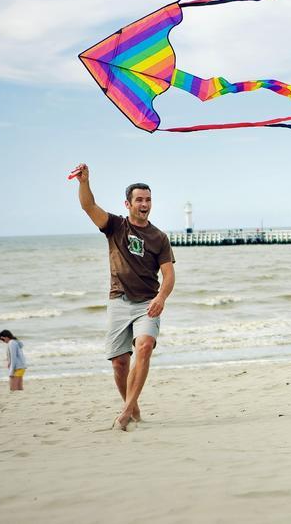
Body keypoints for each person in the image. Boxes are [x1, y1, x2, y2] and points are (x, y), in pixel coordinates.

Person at [73, 164, 175, 431]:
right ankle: (134, 408)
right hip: (118, 300)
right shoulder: (115, 226)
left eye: (148, 199)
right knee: (119, 362)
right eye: (139, 199)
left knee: (144, 346)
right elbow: (89, 207)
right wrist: (84, 182)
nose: (144, 204)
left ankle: (126, 410)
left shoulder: (159, 237)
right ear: (128, 203)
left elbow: (169, 274)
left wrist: (161, 297)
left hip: (147, 304)